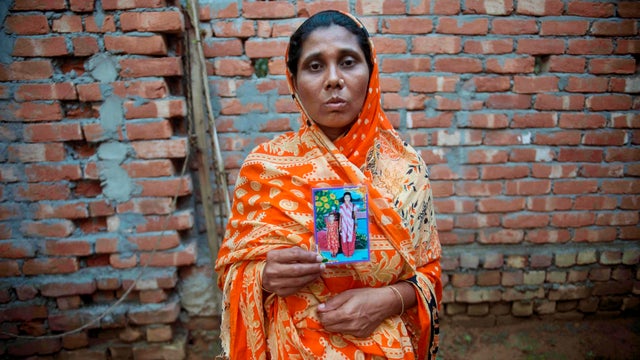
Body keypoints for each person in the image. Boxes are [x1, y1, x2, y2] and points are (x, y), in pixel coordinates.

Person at [215, 10, 442, 359]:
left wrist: (388, 300)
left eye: (348, 62)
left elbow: (429, 274)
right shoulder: (265, 169)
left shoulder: (405, 169)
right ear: (294, 80)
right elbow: (233, 271)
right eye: (315, 66)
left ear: (371, 72)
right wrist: (261, 277)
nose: (333, 79)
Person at [339, 192, 357, 257]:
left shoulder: (353, 205)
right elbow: (340, 217)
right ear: (344, 198)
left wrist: (356, 224)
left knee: (351, 238)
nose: (347, 198)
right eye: (346, 197)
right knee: (344, 238)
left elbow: (355, 216)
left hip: (351, 224)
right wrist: (340, 226)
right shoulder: (341, 206)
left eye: (348, 197)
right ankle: (345, 253)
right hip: (343, 224)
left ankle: (351, 253)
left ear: (350, 198)